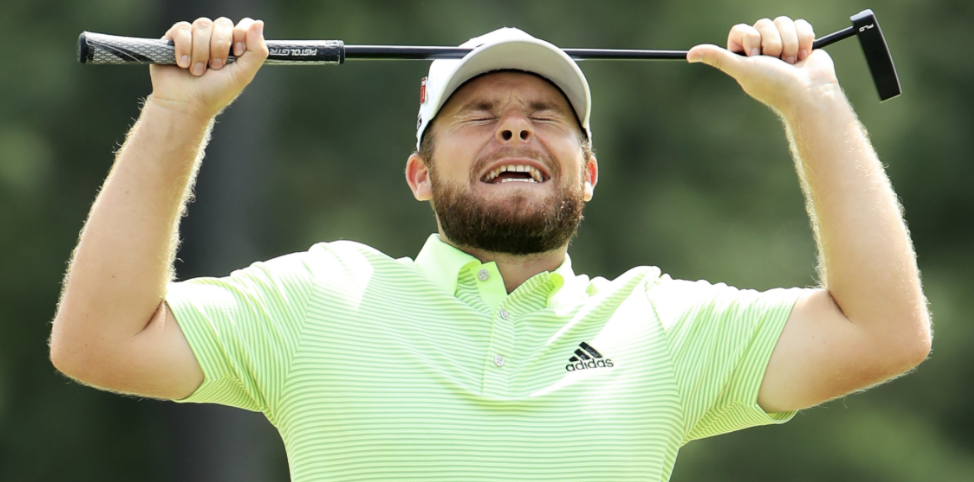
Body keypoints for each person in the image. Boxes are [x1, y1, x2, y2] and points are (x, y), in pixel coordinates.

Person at [49, 15, 931, 482]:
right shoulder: (318, 297)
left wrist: (813, 105)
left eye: (545, 115)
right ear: (419, 176)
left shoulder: (665, 322)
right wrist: (178, 113)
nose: (514, 122)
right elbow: (99, 340)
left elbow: (884, 331)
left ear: (587, 175)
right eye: (477, 114)